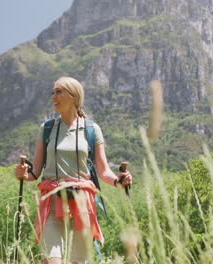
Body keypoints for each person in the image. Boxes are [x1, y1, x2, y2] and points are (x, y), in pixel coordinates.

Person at [14, 76, 133, 263]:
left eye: (59, 92)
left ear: (74, 96)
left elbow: (103, 171)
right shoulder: (47, 128)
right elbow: (35, 172)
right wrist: (22, 173)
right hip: (51, 201)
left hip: (82, 203)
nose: (54, 96)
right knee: (51, 260)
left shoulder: (92, 129)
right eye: (53, 92)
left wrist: (119, 182)